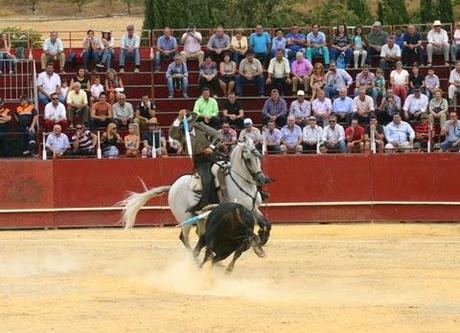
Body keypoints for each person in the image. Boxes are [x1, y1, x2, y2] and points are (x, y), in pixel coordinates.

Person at [169, 109, 223, 212]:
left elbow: (218, 135)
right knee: (206, 179)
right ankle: (208, 204)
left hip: (214, 156)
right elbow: (172, 133)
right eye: (186, 123)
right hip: (200, 160)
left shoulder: (200, 126)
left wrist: (211, 147)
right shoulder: (180, 133)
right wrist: (179, 119)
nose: (189, 125)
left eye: (190, 123)